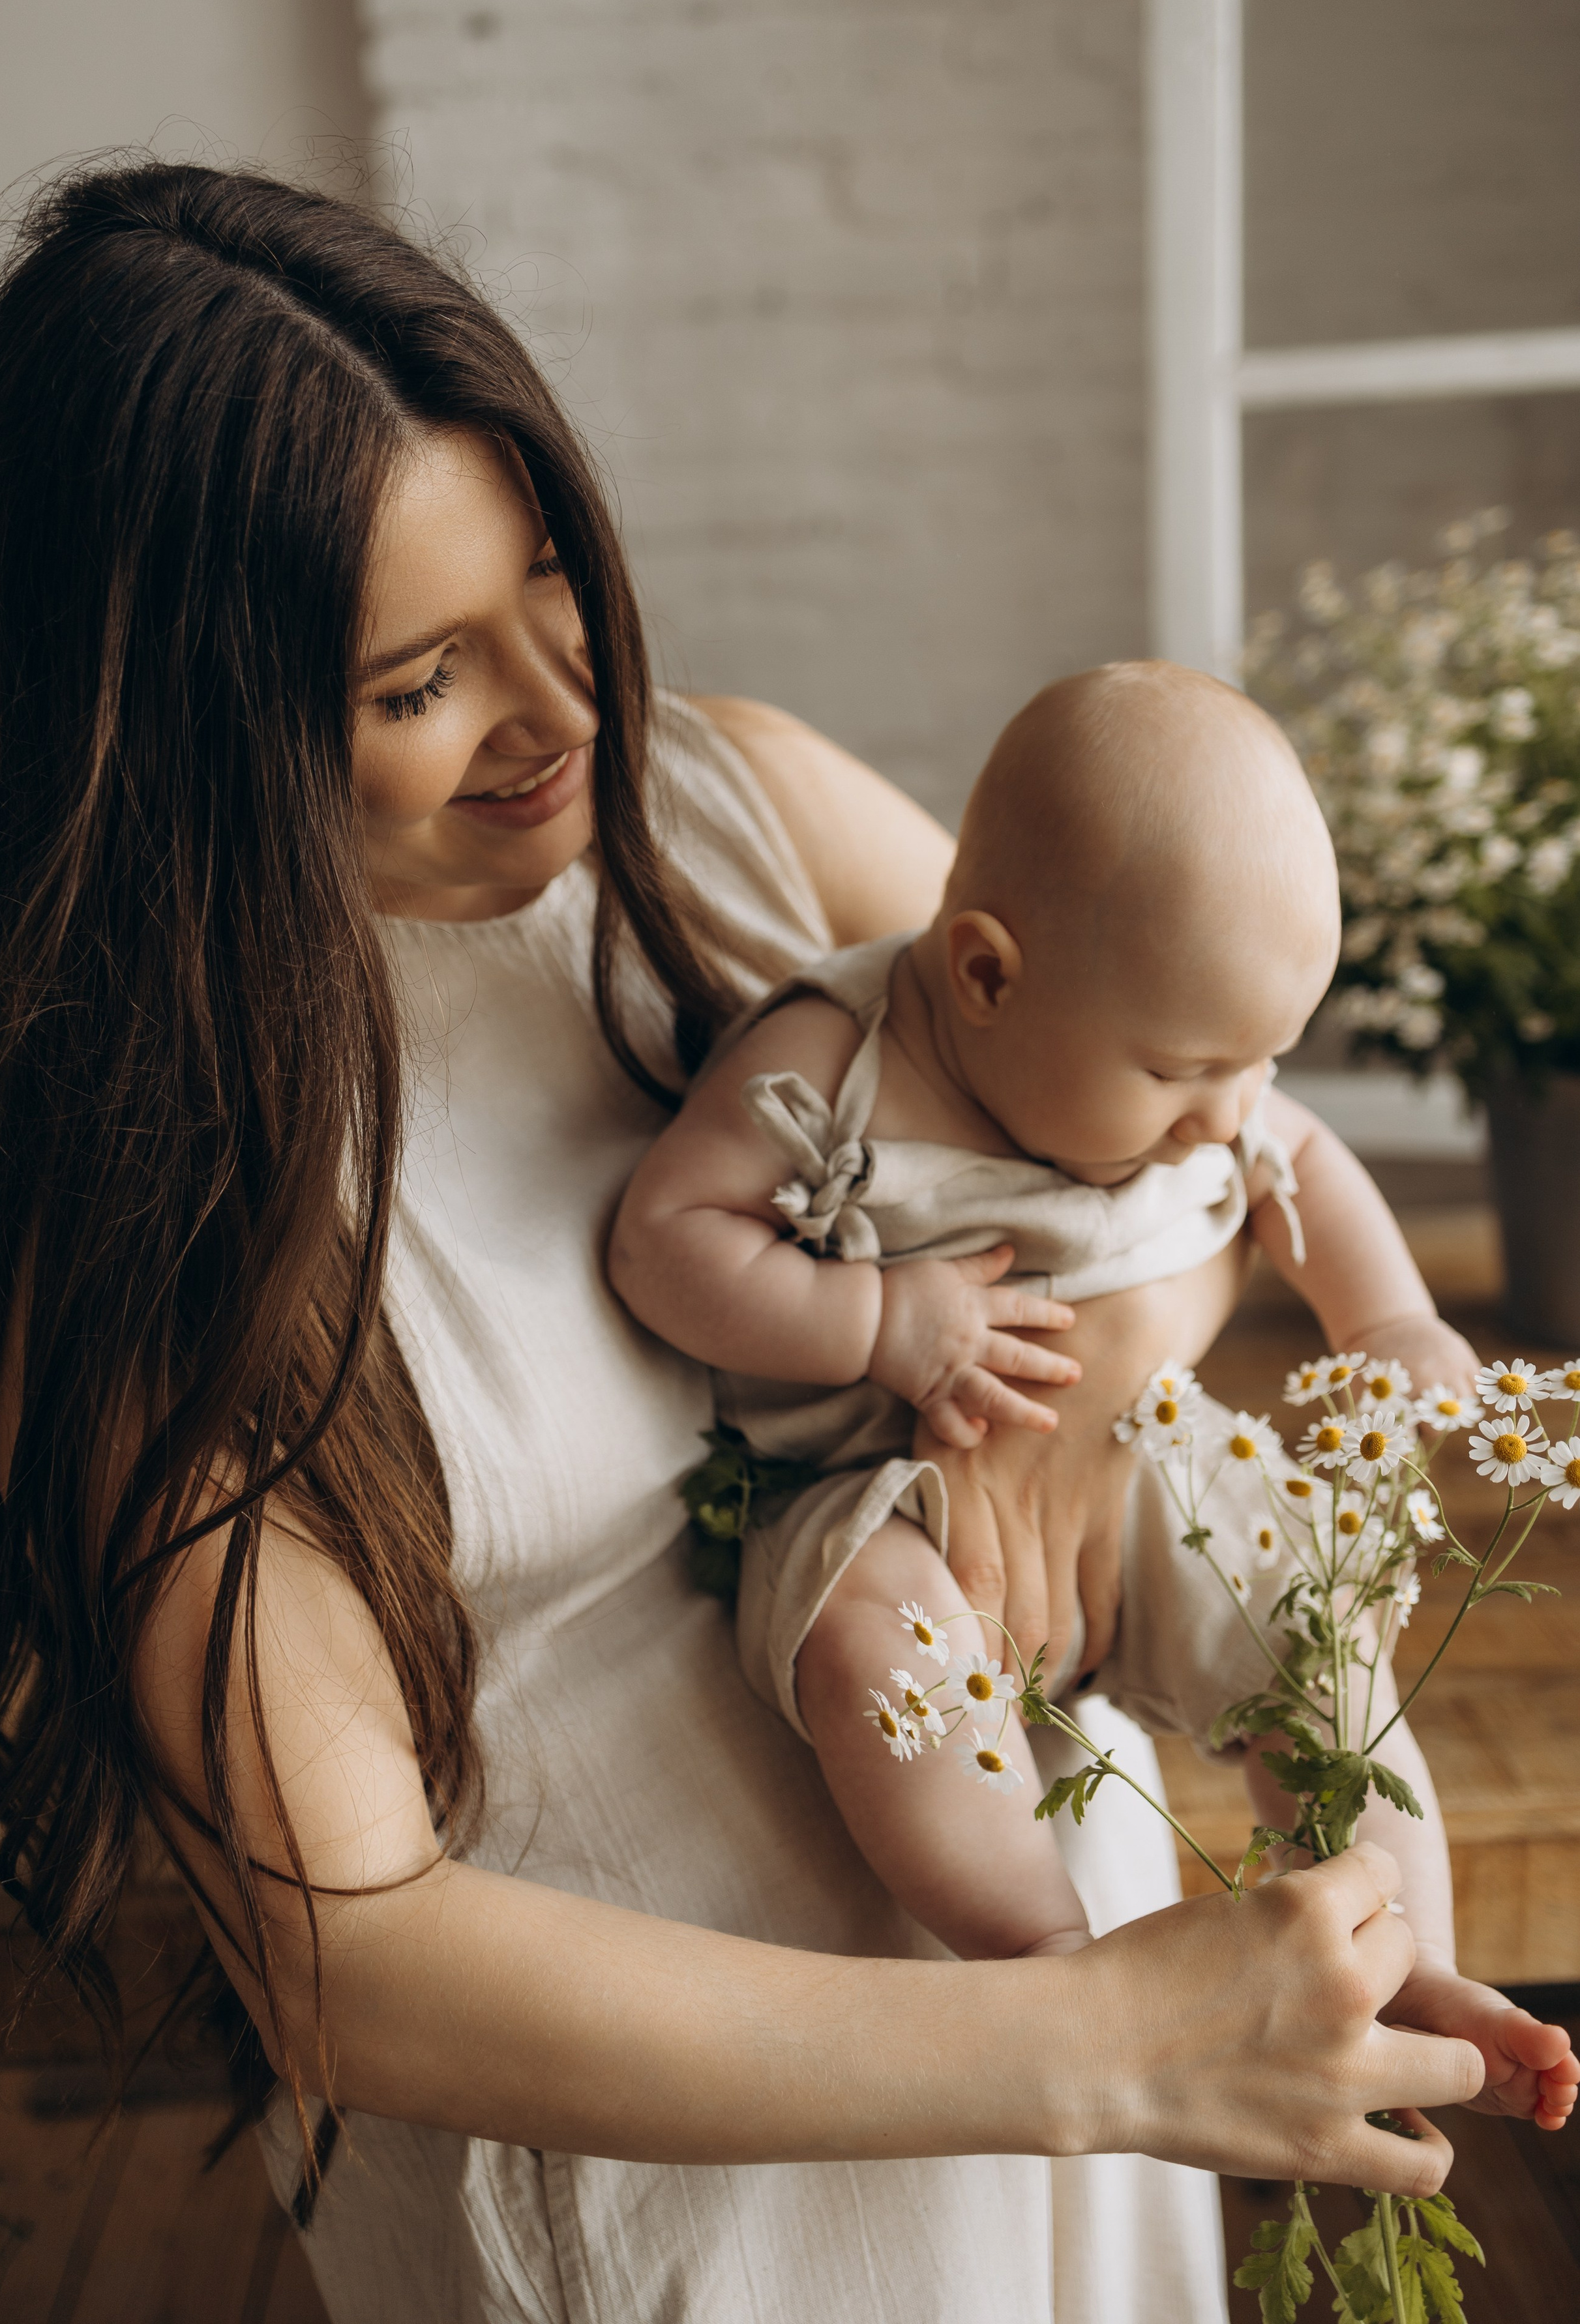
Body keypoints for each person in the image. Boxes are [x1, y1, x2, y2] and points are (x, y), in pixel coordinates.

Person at [0, 162, 1493, 2324]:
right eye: (413, 686)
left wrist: (1082, 1401)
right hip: (714, 2191)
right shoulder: (133, 1223)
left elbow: (1169, 1143)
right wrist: (1092, 2042)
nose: (558, 712)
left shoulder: (739, 814)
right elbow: (351, 1958)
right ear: (183, 730)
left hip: (1108, 2019)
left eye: (551, 576)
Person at [610, 666, 1580, 2133]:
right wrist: (874, 1317)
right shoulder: (832, 1058)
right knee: (874, 1657)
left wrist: (1382, 1316)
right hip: (884, 1496)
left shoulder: (1190, 1058)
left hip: (1150, 1467)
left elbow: (1298, 1160)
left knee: (1321, 1643)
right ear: (987, 976)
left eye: (1258, 1063)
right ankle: (1058, 1968)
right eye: (1185, 1073)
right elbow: (663, 1242)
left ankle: (1409, 1960)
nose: (1224, 1116)